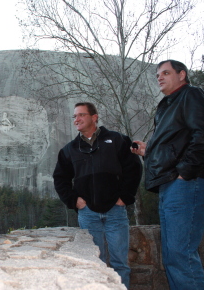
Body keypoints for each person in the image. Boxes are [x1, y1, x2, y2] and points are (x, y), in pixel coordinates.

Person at [131, 60, 204, 290]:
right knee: (173, 256)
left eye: (166, 73)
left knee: (181, 255)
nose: (159, 77)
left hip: (187, 183)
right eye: (158, 74)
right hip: (172, 184)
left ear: (182, 75)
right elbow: (176, 144)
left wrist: (185, 173)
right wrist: (148, 151)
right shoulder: (169, 105)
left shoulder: (193, 95)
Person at [53, 102, 142, 289]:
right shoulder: (70, 149)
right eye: (74, 116)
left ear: (94, 117)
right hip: (88, 214)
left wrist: (125, 197)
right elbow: (60, 179)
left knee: (120, 265)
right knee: (94, 263)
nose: (76, 119)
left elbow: (133, 169)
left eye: (81, 115)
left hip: (116, 212)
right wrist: (74, 201)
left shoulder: (117, 140)